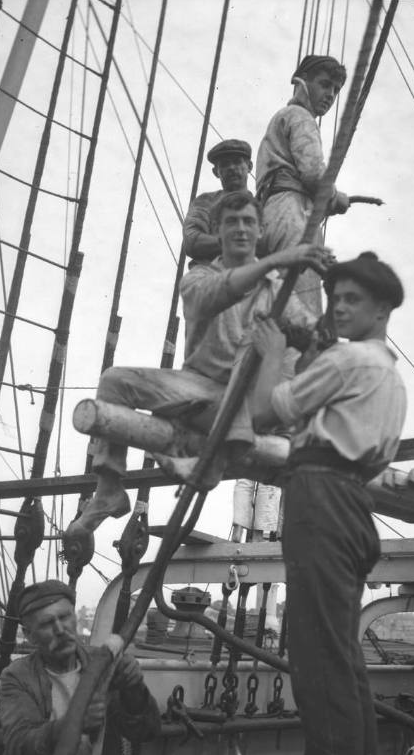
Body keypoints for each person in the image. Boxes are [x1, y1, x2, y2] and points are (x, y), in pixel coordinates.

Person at [250, 251, 407, 755]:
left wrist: (271, 357)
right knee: (345, 673)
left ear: (383, 308)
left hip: (318, 501)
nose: (339, 307)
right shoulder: (391, 378)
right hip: (354, 510)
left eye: (353, 300)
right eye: (335, 297)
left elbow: (268, 411)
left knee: (318, 675)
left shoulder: (347, 360)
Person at [68, 191, 334, 536]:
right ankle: (108, 490)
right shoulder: (197, 280)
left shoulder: (278, 293)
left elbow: (316, 341)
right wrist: (275, 260)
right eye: (231, 222)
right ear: (218, 232)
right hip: (196, 385)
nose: (240, 229)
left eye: (248, 222)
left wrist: (332, 291)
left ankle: (207, 457)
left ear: (259, 230)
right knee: (114, 381)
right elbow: (218, 293)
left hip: (241, 404)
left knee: (256, 343)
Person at [0, 580, 161, 755]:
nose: (60, 629)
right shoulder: (16, 677)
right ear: (29, 635)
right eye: (47, 623)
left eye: (65, 617)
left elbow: (147, 731)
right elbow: (19, 746)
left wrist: (134, 689)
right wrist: (71, 724)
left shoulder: (105, 664)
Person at [256, 54, 350, 319]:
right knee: (301, 304)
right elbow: (313, 174)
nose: (330, 94)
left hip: (270, 214)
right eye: (324, 84)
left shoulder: (280, 118)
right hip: (293, 215)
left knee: (274, 298)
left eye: (336, 89)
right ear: (301, 81)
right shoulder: (301, 117)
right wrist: (335, 197)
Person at [183, 139, 254, 265]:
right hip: (209, 275)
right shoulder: (205, 202)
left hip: (251, 275)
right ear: (216, 172)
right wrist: (241, 243)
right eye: (225, 164)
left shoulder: (261, 204)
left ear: (249, 166)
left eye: (237, 162)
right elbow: (191, 241)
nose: (232, 168)